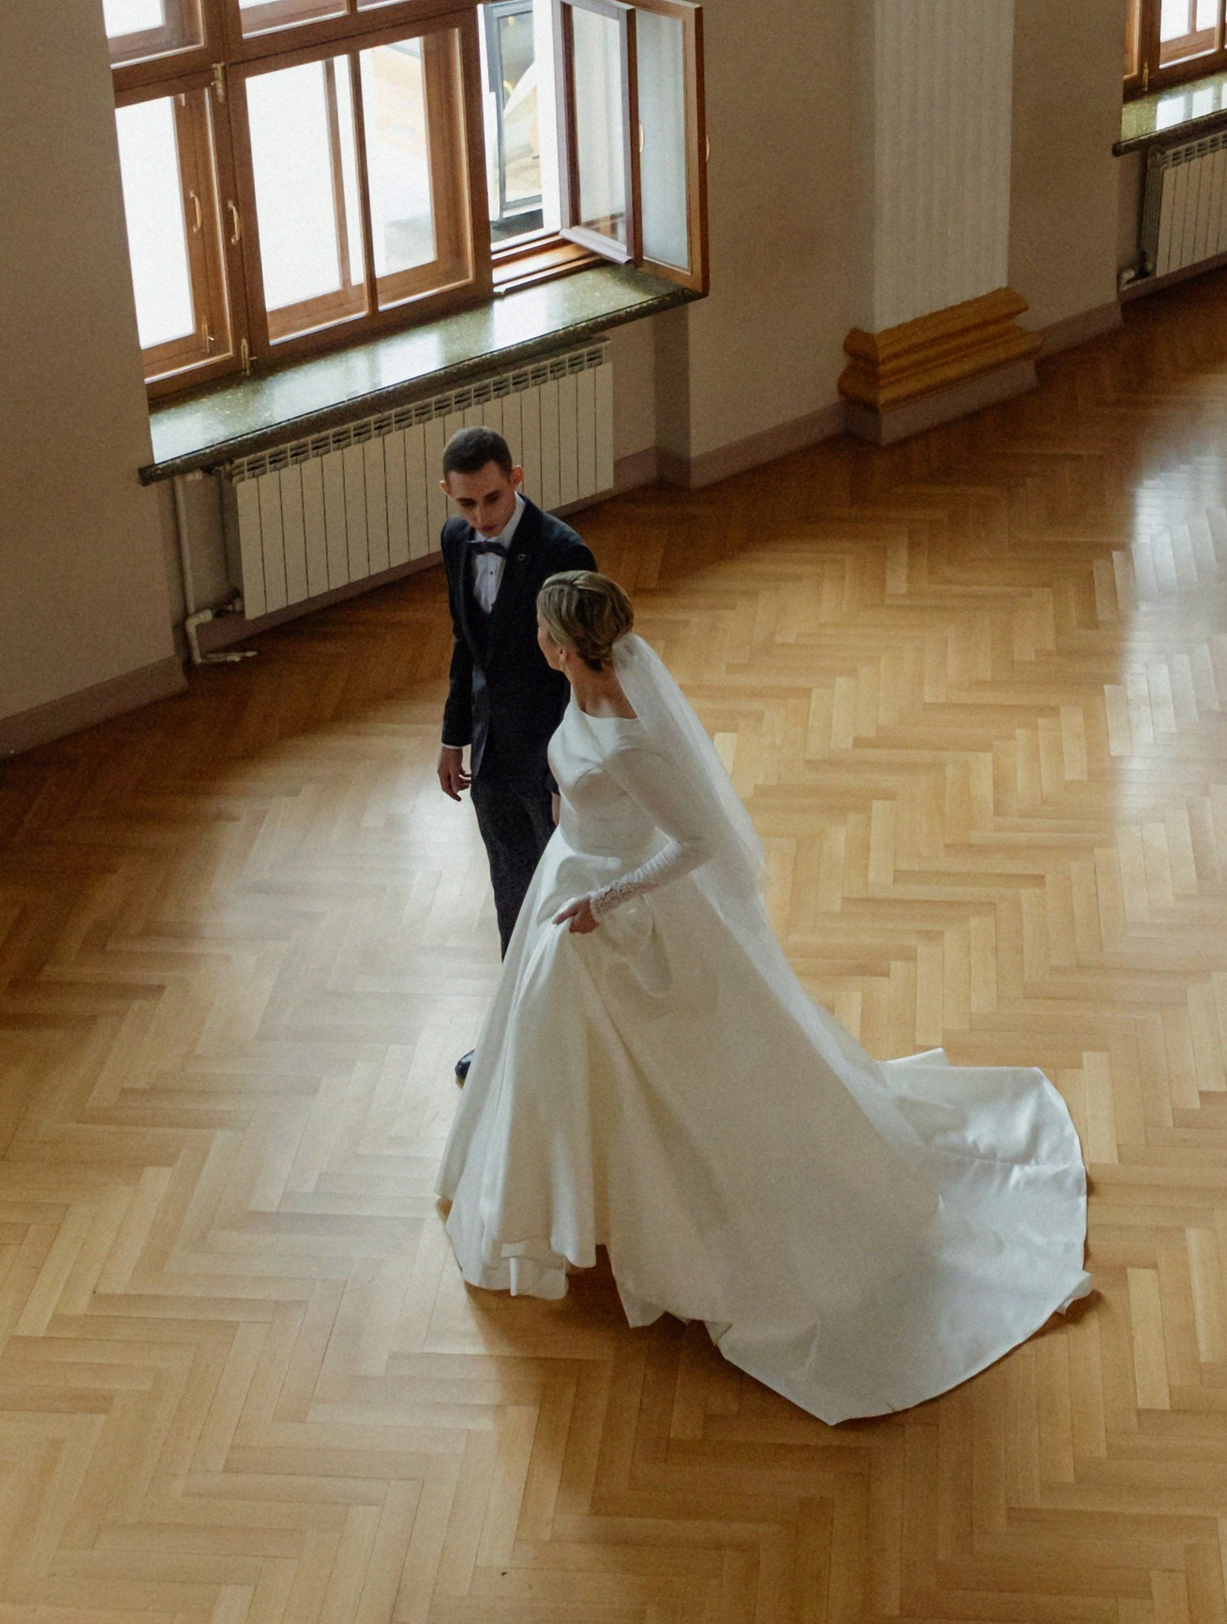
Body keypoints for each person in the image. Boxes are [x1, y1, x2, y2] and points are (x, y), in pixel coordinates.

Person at [437, 571, 1090, 1424]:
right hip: (575, 884)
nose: (536, 642)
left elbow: (698, 840)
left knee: (661, 1082)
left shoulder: (630, 740)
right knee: (564, 1056)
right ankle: (574, 1196)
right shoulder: (590, 691)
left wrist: (609, 898)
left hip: (611, 910)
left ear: (562, 645)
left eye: (540, 632)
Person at [436, 427, 595, 953]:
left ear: (516, 478)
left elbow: (582, 674)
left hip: (550, 759)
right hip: (490, 755)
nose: (480, 517)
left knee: (560, 899)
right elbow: (466, 643)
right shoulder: (455, 540)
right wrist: (453, 737)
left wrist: (562, 777)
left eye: (492, 498)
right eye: (466, 503)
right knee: (512, 897)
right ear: (447, 493)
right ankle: (517, 1022)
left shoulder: (563, 552)